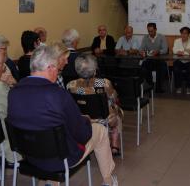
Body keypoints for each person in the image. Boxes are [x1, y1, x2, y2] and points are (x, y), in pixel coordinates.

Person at [7, 46, 118, 186]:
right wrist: (86, 122)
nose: (58, 72)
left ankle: (49, 182)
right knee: (100, 130)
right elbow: (82, 135)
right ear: (50, 68)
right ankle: (108, 181)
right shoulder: (58, 95)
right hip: (60, 158)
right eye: (57, 69)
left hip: (29, 156)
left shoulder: (13, 93)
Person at [67, 54, 123, 156]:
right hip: (103, 119)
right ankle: (115, 144)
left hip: (82, 119)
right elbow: (113, 97)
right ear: (95, 70)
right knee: (116, 113)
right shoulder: (103, 83)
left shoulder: (71, 85)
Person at [139, 22, 169, 93]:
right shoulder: (145, 37)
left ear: (156, 29)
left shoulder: (162, 37)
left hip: (160, 60)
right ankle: (150, 85)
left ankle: (159, 87)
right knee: (143, 67)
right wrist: (142, 52)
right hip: (150, 60)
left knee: (162, 68)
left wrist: (158, 52)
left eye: (151, 31)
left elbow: (165, 49)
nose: (150, 33)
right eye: (148, 31)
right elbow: (141, 48)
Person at [172, 27, 190, 94]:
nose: (183, 35)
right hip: (179, 61)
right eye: (182, 33)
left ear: (188, 34)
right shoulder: (177, 41)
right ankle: (178, 87)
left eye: (185, 33)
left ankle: (188, 87)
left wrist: (182, 52)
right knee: (176, 68)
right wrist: (187, 51)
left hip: (189, 61)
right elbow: (174, 51)